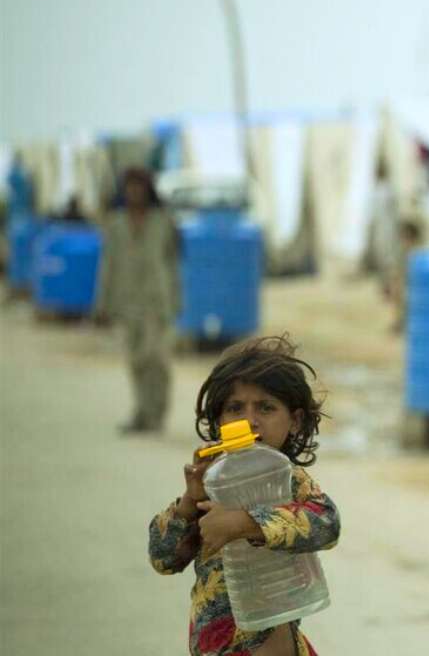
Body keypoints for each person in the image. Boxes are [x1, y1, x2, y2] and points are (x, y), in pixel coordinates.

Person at [148, 335, 340, 655]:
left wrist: (245, 523)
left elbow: (327, 524)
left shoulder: (288, 480)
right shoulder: (212, 482)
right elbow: (163, 558)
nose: (249, 420)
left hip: (272, 639)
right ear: (219, 421)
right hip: (216, 643)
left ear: (294, 421)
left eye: (266, 407)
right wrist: (189, 501)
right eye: (235, 408)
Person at [94, 167, 181, 434]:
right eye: (129, 186)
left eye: (139, 186)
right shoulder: (116, 224)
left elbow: (172, 263)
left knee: (156, 358)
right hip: (126, 301)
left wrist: (177, 300)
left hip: (158, 302)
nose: (134, 192)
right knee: (136, 361)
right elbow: (107, 264)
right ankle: (142, 413)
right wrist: (102, 304)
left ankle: (157, 412)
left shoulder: (163, 221)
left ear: (148, 189)